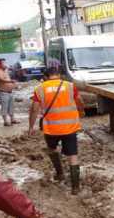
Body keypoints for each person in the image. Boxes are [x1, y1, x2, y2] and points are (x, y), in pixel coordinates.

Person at [28, 66, 85, 195]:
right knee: (73, 156)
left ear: (46, 76)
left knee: (52, 149)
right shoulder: (70, 86)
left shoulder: (39, 89)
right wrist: (81, 110)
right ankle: (75, 187)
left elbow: (34, 109)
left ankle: (60, 174)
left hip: (51, 129)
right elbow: (80, 101)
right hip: (69, 127)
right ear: (59, 75)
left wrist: (31, 126)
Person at [0, 59, 19, 126]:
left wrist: (14, 85)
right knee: (4, 107)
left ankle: (12, 119)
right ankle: (5, 121)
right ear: (0, 64)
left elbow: (8, 79)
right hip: (3, 92)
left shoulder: (6, 71)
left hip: (10, 92)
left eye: (5, 62)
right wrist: (10, 82)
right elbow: (1, 79)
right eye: (3, 63)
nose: (5, 64)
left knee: (11, 106)